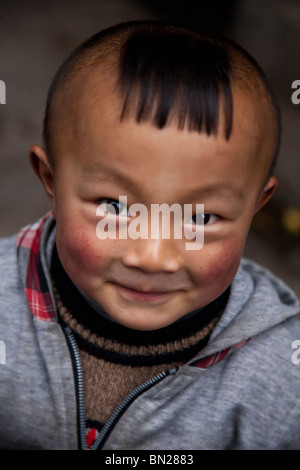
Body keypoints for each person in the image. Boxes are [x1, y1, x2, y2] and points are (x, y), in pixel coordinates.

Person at [0, 20, 299, 451]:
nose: (153, 256)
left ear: (256, 203)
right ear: (50, 178)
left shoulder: (282, 375)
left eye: (200, 217)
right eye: (115, 208)